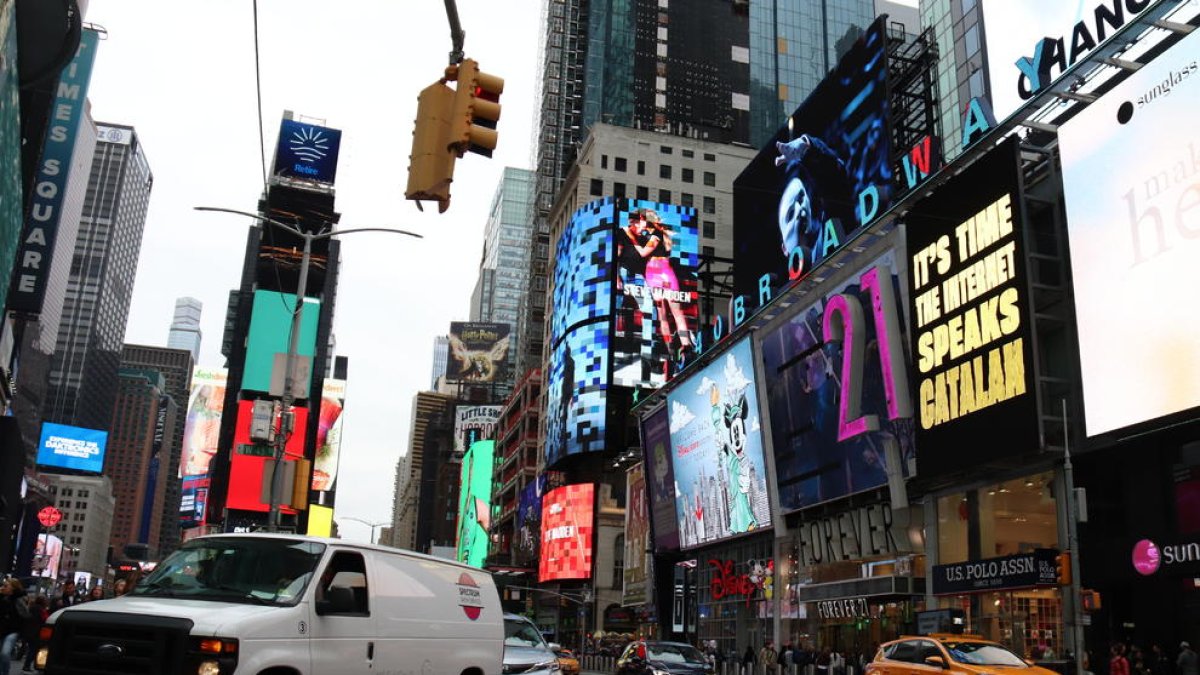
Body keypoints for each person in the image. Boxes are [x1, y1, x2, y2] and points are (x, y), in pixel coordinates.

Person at [1, 578, 30, 675]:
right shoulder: (2, 598)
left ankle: (5, 672)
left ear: (13, 588)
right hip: (2, 630)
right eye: (3, 586)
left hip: (13, 631)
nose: (3, 588)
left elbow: (26, 615)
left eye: (6, 586)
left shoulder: (19, 599)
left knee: (5, 653)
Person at [21, 595, 50, 673]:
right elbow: (45, 619)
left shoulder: (31, 608)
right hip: (36, 632)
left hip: (28, 631)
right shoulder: (41, 609)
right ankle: (27, 666)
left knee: (31, 649)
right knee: (33, 650)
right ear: (43, 602)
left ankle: (27, 665)